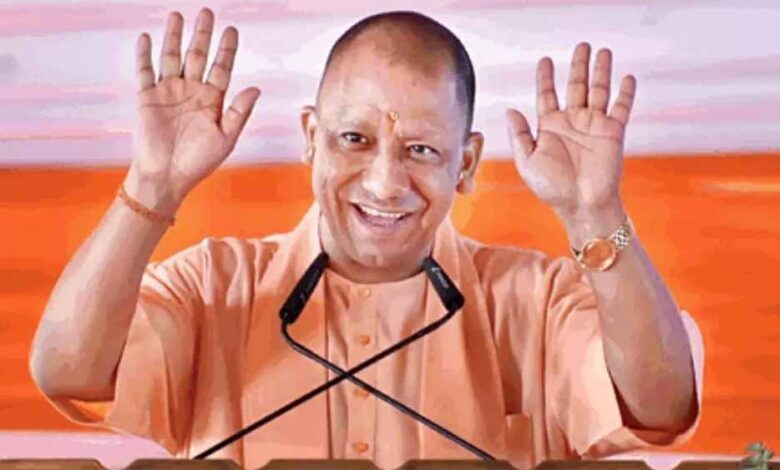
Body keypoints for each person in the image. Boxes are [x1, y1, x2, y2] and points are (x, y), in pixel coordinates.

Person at [29, 7, 703, 470]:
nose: (384, 183)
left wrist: (594, 215)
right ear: (309, 138)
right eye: (354, 138)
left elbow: (661, 407)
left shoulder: (535, 299)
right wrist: (152, 187)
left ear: (466, 164)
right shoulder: (213, 285)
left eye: (420, 150)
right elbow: (67, 371)